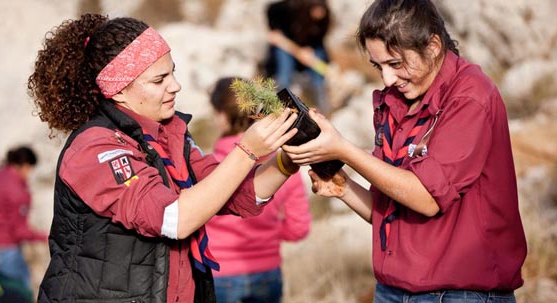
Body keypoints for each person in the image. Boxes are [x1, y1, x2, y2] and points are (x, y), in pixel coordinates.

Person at [27, 14, 301, 303]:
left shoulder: (169, 135)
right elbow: (173, 218)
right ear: (118, 90)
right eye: (159, 79)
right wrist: (246, 151)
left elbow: (233, 191)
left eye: (172, 73)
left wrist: (288, 160)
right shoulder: (95, 148)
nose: (175, 86)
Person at [283, 0, 527, 302]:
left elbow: (426, 199)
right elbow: (388, 212)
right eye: (378, 66)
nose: (387, 79)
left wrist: (344, 149)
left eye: (396, 64)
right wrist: (344, 188)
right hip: (393, 291)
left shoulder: (470, 97)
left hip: (459, 294)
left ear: (433, 45)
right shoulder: (395, 100)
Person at [204, 77, 311, 303]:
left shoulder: (207, 166)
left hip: (219, 273)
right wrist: (267, 235)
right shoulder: (282, 166)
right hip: (267, 272)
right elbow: (299, 228)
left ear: (222, 117)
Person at [0, 146, 48, 290]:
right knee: (21, 289)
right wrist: (43, 237)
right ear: (25, 166)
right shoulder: (18, 192)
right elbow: (19, 231)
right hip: (6, 248)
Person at [266, 0, 332, 115]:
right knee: (284, 73)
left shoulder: (324, 19)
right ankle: (281, 105)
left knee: (319, 70)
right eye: (316, 11)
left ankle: (322, 106)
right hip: (287, 45)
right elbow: (271, 12)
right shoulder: (290, 8)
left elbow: (319, 39)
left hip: (307, 48)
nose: (318, 15)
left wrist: (309, 50)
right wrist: (273, 27)